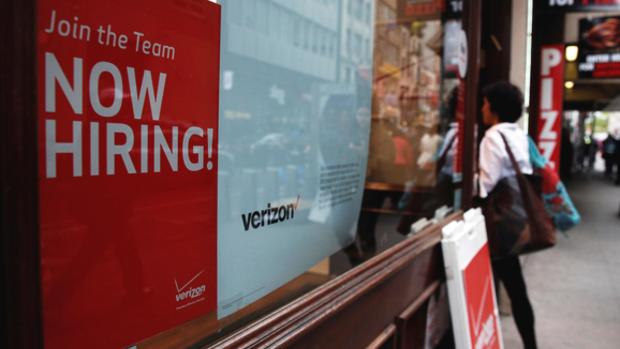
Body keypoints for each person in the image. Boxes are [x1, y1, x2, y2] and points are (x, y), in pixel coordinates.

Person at [479, 81, 538, 349]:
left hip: (498, 221)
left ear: (494, 107)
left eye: (485, 102)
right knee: (516, 287)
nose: (482, 108)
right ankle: (530, 343)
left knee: (496, 283)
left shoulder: (493, 136)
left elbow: (486, 185)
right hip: (517, 218)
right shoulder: (518, 134)